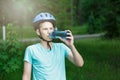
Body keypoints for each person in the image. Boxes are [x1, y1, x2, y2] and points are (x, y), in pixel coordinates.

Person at [22, 12, 84, 80]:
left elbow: (80, 64)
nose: (49, 32)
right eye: (45, 29)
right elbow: (26, 76)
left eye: (51, 28)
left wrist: (71, 46)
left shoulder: (61, 47)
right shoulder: (31, 50)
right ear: (38, 32)